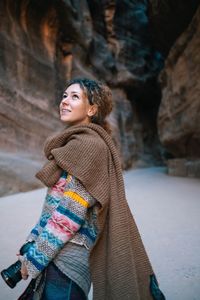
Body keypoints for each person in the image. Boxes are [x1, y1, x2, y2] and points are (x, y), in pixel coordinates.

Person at [18, 78, 165, 300]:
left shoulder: (89, 147)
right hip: (53, 253)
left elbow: (69, 214)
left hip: (68, 261)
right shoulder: (73, 145)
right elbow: (53, 208)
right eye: (64, 95)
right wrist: (32, 240)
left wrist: (33, 261)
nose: (65, 101)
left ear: (92, 109)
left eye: (74, 97)